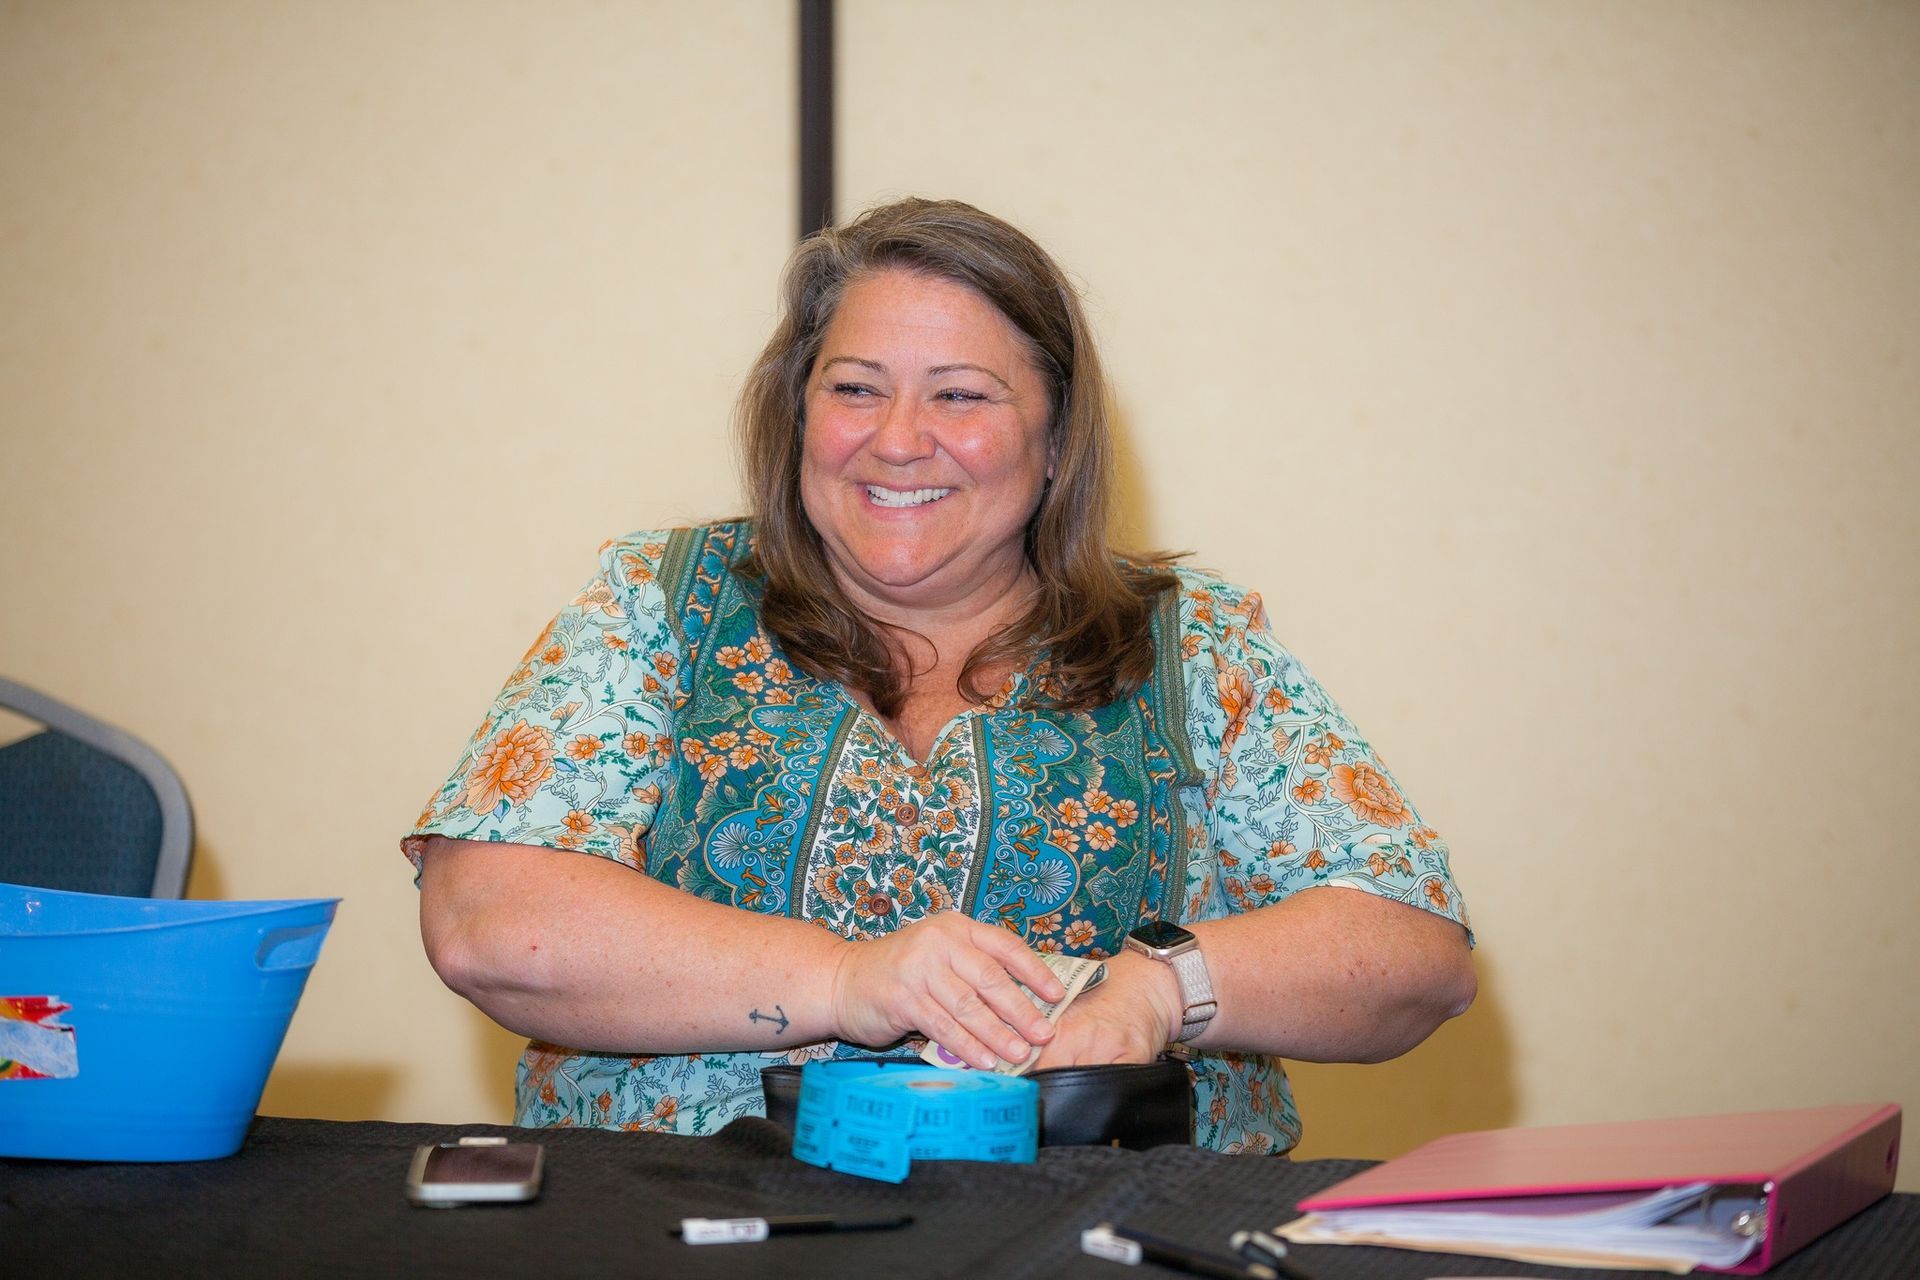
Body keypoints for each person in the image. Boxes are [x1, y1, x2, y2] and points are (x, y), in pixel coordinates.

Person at [404, 197, 1474, 1154]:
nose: (899, 440)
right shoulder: (660, 601)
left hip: (1104, 1236)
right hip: (675, 1226)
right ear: (798, 416)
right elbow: (491, 920)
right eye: (855, 387)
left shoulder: (1195, 643)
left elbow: (1414, 950)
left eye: (961, 395)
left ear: (1055, 439)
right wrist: (841, 979)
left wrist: (1160, 986)